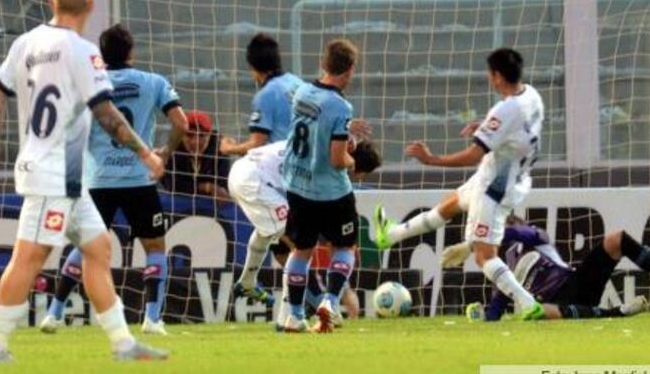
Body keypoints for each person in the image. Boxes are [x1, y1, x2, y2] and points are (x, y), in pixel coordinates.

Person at [0, 0, 167, 363]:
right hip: (54, 175)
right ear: (90, 6)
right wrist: (145, 152)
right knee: (29, 257)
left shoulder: (25, 43)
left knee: (97, 249)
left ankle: (123, 344)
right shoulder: (82, 51)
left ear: (52, 3)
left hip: (67, 176)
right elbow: (106, 113)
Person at [373, 48, 546, 320]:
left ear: (497, 76)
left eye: (490, 74)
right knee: (449, 206)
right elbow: (517, 131)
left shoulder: (505, 108)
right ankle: (391, 234)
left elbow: (473, 154)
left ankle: (527, 303)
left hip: (494, 188)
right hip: (510, 177)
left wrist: (432, 160)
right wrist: (488, 127)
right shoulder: (531, 95)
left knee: (483, 255)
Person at [39, 24, 189, 336]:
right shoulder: (153, 82)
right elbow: (181, 123)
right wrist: (165, 153)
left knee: (85, 246)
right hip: (140, 179)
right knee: (155, 246)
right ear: (131, 51)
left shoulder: (89, 85)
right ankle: (151, 319)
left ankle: (53, 314)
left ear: (101, 54)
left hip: (98, 181)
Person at [227, 137, 381, 329]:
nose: (356, 178)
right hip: (253, 180)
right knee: (297, 244)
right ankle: (289, 319)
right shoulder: (327, 163)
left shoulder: (321, 144)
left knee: (269, 231)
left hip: (247, 174)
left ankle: (247, 282)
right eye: (359, 174)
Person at [446, 220, 650, 321]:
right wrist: (480, 316)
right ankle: (617, 313)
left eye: (509, 222)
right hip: (555, 306)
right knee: (536, 312)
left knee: (616, 239)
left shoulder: (535, 236)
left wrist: (472, 244)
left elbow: (519, 231)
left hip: (576, 283)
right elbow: (497, 308)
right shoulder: (499, 268)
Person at [281, 39, 360, 333]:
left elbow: (312, 128)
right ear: (350, 70)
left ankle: (295, 316)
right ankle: (329, 301)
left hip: (297, 185)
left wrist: (345, 134)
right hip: (331, 191)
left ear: (323, 64)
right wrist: (354, 159)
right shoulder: (340, 106)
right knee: (345, 246)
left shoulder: (301, 91)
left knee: (301, 251)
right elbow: (338, 159)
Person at [161, 110, 231, 201]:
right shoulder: (173, 149)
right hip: (178, 202)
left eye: (202, 135)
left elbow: (222, 186)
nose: (195, 142)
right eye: (189, 135)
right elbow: (171, 185)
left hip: (209, 205)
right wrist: (208, 187)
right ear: (181, 136)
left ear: (210, 135)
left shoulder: (220, 150)